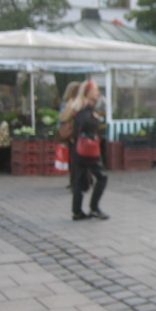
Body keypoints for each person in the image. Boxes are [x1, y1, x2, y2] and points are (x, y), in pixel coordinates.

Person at [70, 80, 109, 220]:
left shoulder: (80, 106)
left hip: (79, 149)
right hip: (88, 150)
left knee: (80, 180)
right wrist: (97, 120)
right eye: (95, 90)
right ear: (88, 92)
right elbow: (86, 123)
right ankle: (94, 208)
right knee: (102, 177)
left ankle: (77, 211)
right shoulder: (86, 108)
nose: (97, 93)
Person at [58, 81, 80, 188]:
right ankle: (76, 181)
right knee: (74, 158)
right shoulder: (72, 103)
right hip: (73, 133)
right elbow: (63, 117)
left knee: (73, 158)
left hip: (72, 133)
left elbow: (61, 118)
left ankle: (75, 181)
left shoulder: (67, 103)